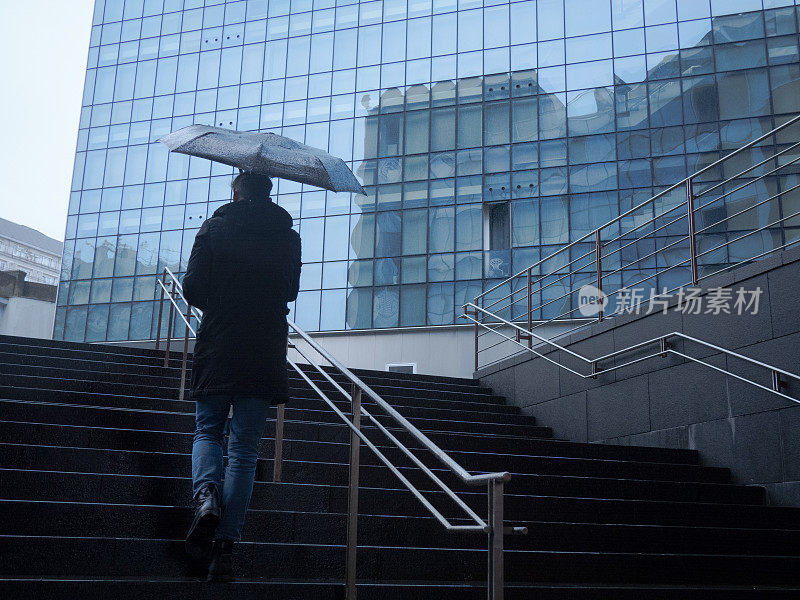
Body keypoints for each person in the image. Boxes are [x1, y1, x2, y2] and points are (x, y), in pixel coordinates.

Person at [182, 171, 301, 582]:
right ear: (269, 194)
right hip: (264, 349)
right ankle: (226, 549)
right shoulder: (288, 235)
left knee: (208, 431)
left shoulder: (214, 227)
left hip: (219, 343)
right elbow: (289, 291)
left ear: (236, 192)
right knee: (246, 451)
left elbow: (193, 290)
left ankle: (206, 500)